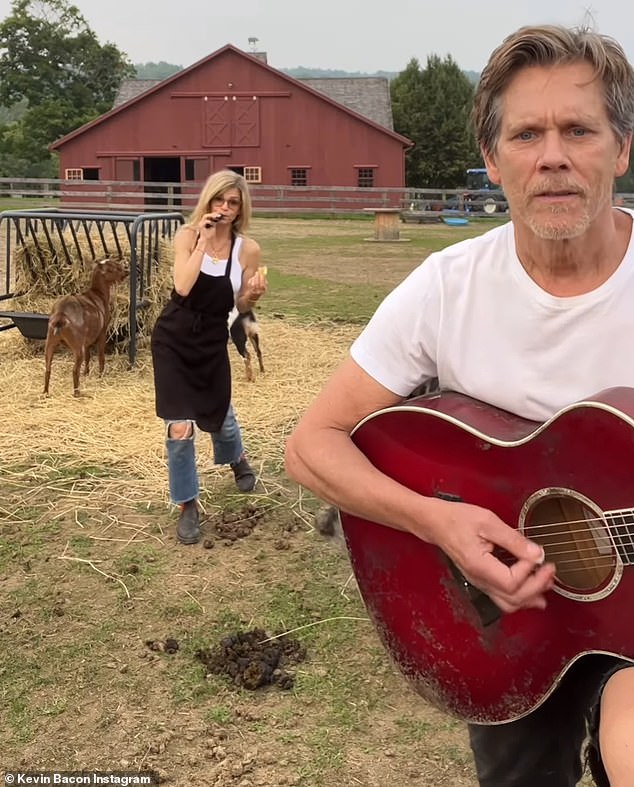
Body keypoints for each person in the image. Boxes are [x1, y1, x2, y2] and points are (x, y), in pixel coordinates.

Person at [285, 24, 634, 787]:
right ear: (492, 160)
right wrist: (439, 521)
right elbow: (311, 442)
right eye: (526, 134)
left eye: (579, 129)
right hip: (502, 619)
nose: (552, 156)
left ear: (622, 149)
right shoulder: (447, 287)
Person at [151, 170, 266, 545]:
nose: (225, 208)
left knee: (219, 419)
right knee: (180, 425)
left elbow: (239, 304)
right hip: (174, 339)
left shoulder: (247, 249)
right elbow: (183, 285)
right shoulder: (186, 237)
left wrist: (254, 297)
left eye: (233, 203)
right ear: (208, 200)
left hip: (212, 340)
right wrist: (202, 238)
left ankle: (237, 458)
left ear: (240, 208)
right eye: (219, 200)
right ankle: (188, 505)